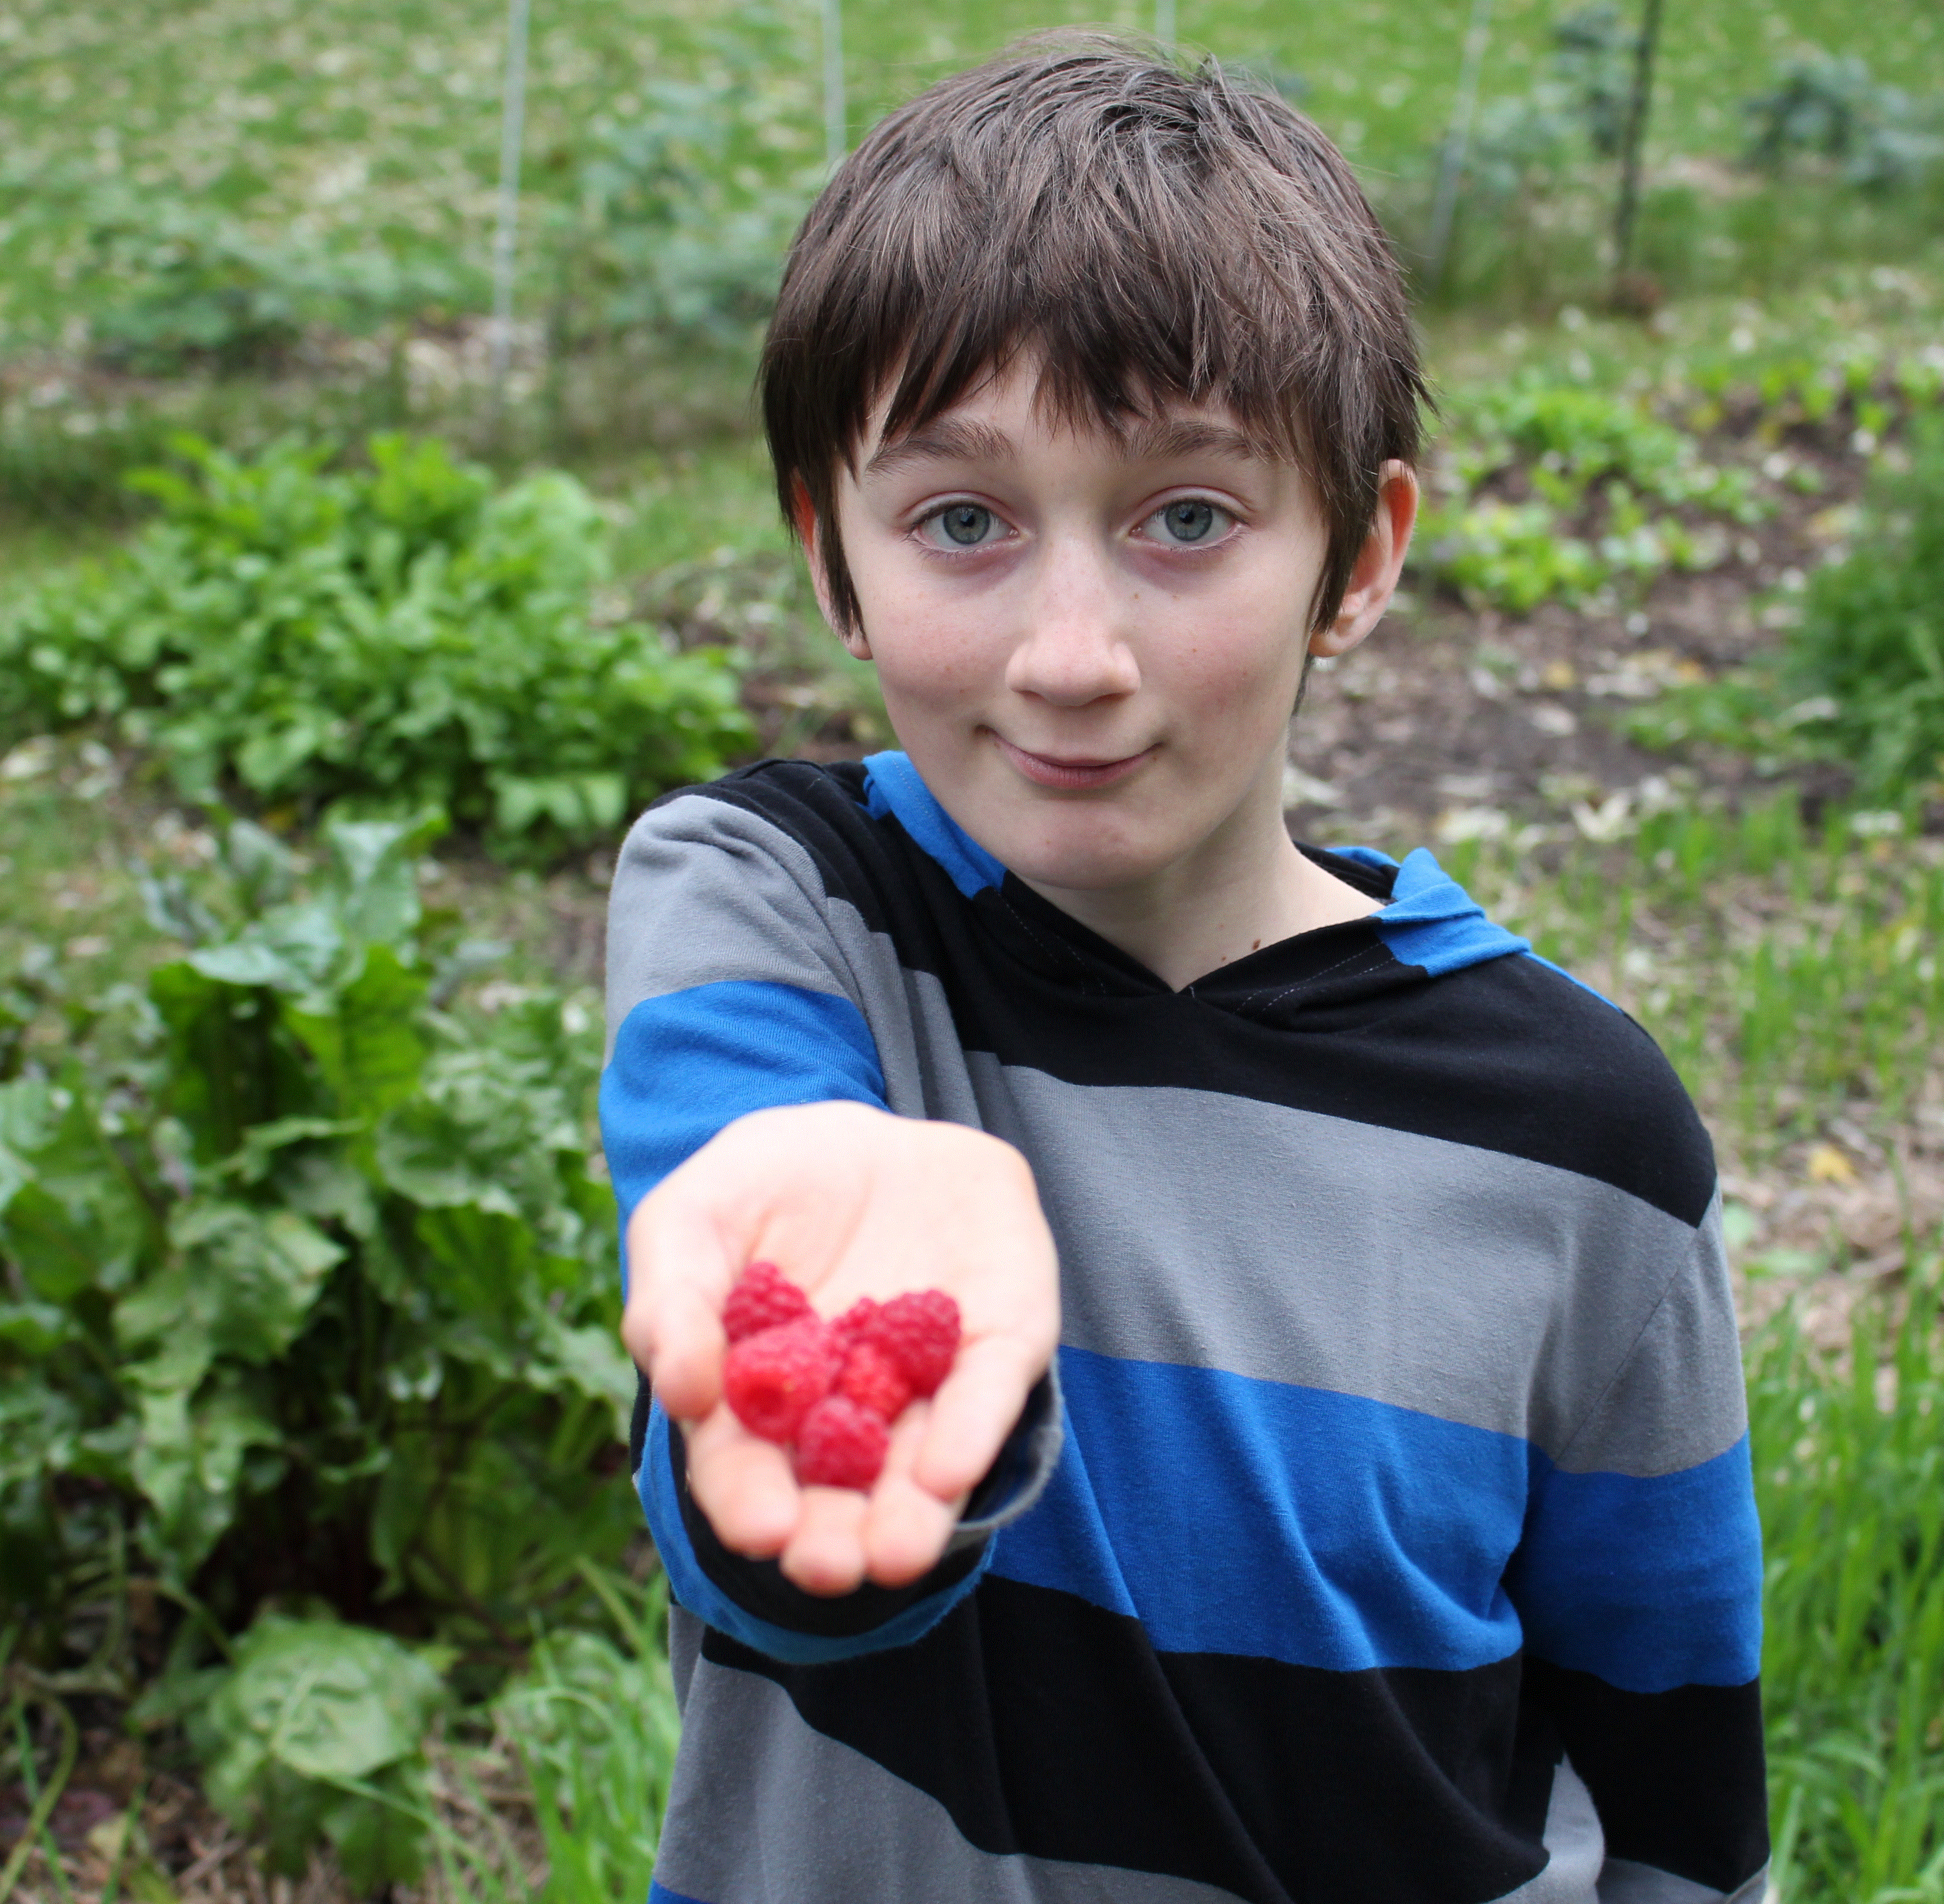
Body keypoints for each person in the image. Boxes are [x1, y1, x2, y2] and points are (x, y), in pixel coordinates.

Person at [603, 36, 1767, 1904]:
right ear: (835, 560)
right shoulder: (783, 906)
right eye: (962, 521)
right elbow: (779, 1534)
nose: (1073, 653)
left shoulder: (1583, 1143)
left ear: (1359, 556)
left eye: (1189, 518)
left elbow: (1674, 1791)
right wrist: (816, 1375)